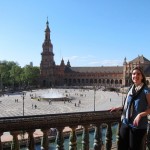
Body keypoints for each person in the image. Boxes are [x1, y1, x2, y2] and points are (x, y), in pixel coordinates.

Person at [110, 66, 150, 150]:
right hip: (125, 122)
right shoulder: (130, 89)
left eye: (138, 74)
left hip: (138, 126)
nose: (135, 76)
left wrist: (140, 115)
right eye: (134, 74)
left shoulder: (146, 91)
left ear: (142, 76)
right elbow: (127, 105)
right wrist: (119, 108)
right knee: (122, 147)